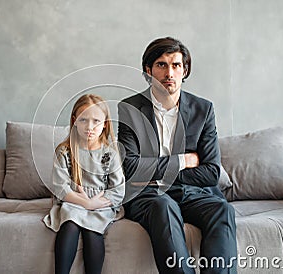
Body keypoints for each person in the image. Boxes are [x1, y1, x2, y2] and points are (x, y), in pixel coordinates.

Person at [117, 37, 237, 273]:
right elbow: (130, 167)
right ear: (148, 70)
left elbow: (212, 172)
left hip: (192, 193)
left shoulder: (203, 109)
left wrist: (156, 171)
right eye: (161, 65)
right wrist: (182, 161)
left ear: (185, 70)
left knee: (223, 209)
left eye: (176, 65)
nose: (169, 73)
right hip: (148, 195)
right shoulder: (129, 108)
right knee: (163, 205)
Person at [43, 94, 125, 274]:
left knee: (93, 230)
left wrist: (96, 204)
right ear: (74, 121)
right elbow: (59, 185)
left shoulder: (110, 154)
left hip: (101, 204)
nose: (89, 127)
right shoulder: (65, 151)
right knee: (70, 224)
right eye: (83, 120)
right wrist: (86, 203)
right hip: (73, 202)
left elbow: (118, 190)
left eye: (96, 121)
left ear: (105, 124)